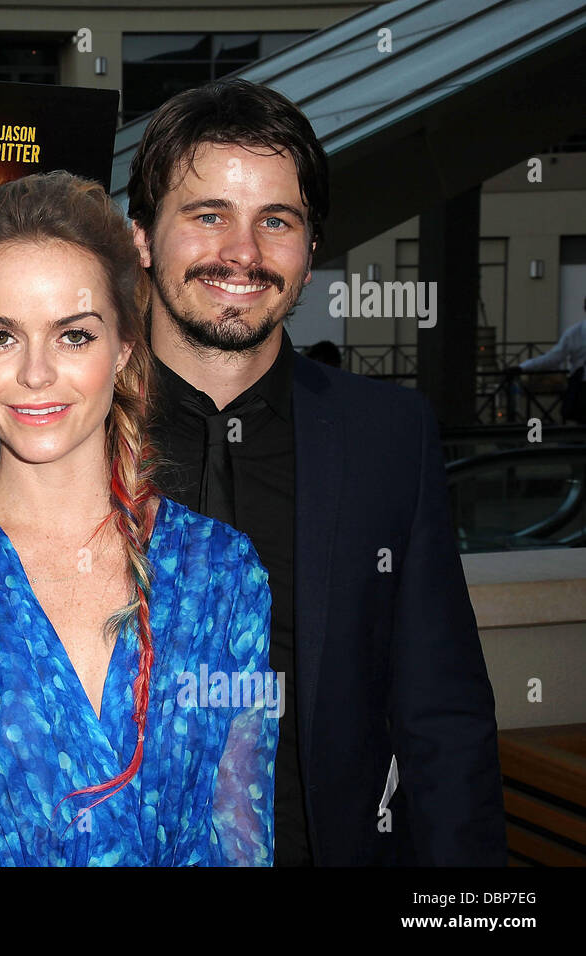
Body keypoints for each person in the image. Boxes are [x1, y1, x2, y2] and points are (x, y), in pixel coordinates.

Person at [126, 78, 505, 865]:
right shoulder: (62, 429)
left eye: (277, 221)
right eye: (207, 216)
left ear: (310, 252)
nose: (243, 253)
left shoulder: (386, 438)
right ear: (141, 239)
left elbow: (442, 716)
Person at [0, 170, 278, 867]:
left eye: (73, 336)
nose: (37, 373)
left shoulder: (223, 576)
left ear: (125, 349)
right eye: (0, 337)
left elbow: (242, 834)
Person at [509, 311, 586, 423]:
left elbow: (553, 358)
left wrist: (523, 367)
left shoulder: (575, 333)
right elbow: (552, 358)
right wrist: (524, 367)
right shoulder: (575, 333)